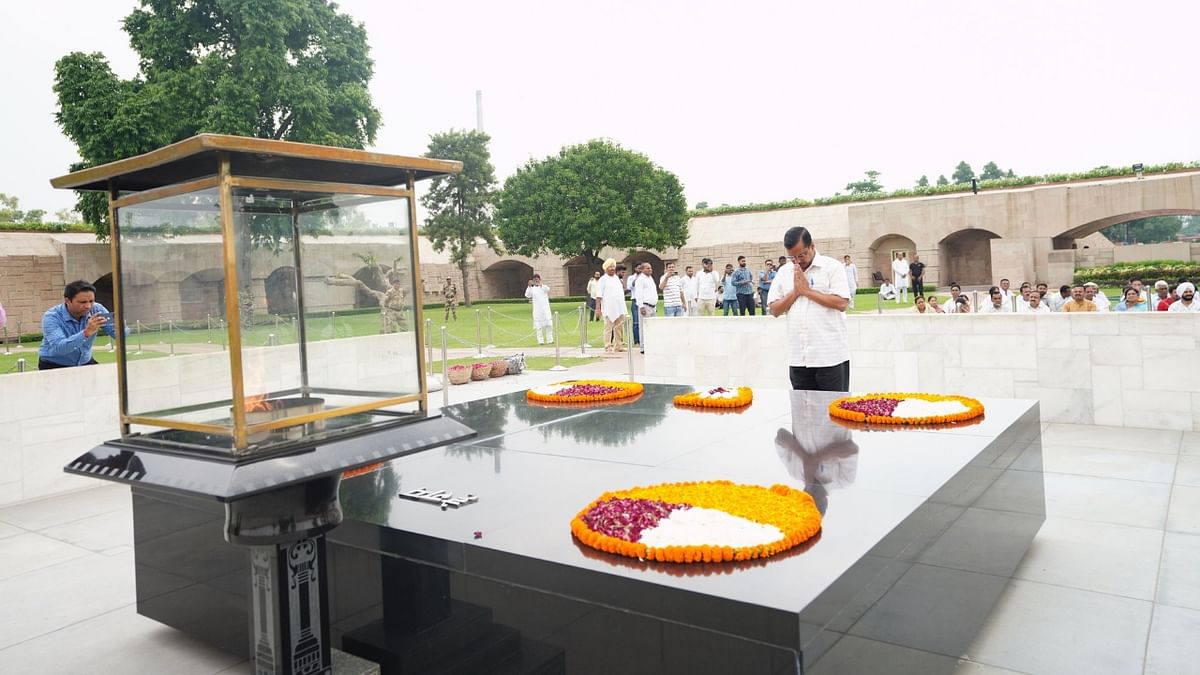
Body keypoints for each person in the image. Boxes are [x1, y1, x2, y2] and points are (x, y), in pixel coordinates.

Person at [767, 226, 851, 392]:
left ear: (812, 246)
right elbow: (774, 309)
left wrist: (807, 292)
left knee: (833, 414)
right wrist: (796, 292)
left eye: (801, 255)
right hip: (798, 358)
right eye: (792, 257)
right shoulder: (784, 272)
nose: (797, 261)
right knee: (802, 414)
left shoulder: (832, 267)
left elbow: (842, 303)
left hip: (829, 357)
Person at [38, 280, 121, 369]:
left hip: (85, 362)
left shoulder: (97, 309)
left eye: (91, 301)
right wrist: (86, 333)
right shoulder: (51, 317)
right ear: (67, 301)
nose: (88, 306)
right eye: (82, 302)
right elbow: (60, 348)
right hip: (54, 365)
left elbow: (116, 332)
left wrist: (122, 325)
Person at [326, 271, 409, 332]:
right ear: (393, 284)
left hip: (400, 312)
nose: (397, 285)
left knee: (405, 328)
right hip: (391, 312)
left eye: (398, 284)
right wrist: (385, 306)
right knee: (391, 329)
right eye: (396, 284)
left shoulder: (401, 291)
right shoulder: (390, 292)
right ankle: (332, 280)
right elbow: (385, 300)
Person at [595, 259, 627, 352]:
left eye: (613, 266)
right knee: (608, 328)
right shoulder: (603, 280)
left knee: (619, 327)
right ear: (606, 268)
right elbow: (598, 295)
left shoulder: (617, 278)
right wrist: (598, 308)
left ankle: (618, 346)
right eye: (610, 267)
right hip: (609, 307)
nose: (613, 268)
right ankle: (608, 345)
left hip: (619, 307)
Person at [634, 262, 659, 352]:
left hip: (653, 306)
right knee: (644, 326)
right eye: (647, 268)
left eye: (650, 268)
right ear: (642, 269)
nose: (650, 269)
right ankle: (643, 347)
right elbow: (638, 293)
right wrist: (641, 306)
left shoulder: (650, 278)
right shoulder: (640, 279)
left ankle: (652, 344)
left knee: (652, 327)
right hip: (645, 305)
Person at [525, 274, 553, 344]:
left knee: (549, 325)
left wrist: (541, 284)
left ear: (540, 279)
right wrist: (529, 286)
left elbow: (547, 289)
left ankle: (550, 340)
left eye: (537, 279)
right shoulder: (532, 289)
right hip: (537, 310)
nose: (536, 281)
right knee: (538, 326)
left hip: (545, 310)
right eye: (535, 279)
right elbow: (527, 295)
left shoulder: (543, 287)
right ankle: (540, 341)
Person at [627, 263, 642, 345]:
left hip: (643, 301)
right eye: (639, 268)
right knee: (636, 321)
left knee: (643, 321)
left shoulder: (645, 277)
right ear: (635, 269)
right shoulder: (631, 277)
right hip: (635, 300)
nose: (640, 270)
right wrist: (637, 278)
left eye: (641, 268)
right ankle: (636, 340)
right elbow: (629, 287)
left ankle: (643, 339)